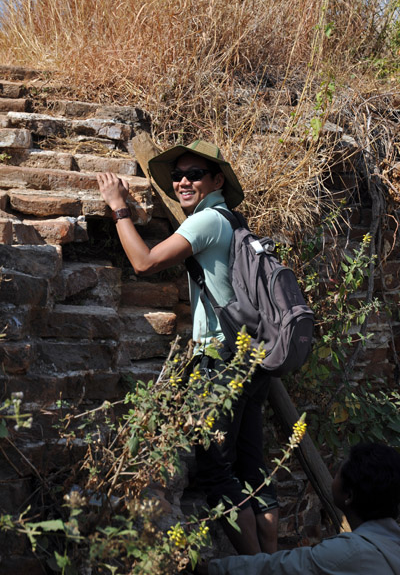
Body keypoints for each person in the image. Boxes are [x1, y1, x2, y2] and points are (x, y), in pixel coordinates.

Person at [97, 140, 279, 555]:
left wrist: (118, 208)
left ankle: (255, 567)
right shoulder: (232, 220)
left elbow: (145, 262)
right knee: (252, 469)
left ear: (217, 180)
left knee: (218, 470)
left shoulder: (205, 222)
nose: (183, 181)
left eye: (195, 173)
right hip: (251, 357)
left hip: (220, 358)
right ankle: (276, 560)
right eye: (178, 174)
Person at [208, 441, 400, 574]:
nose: (333, 477)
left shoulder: (348, 553)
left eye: (337, 473)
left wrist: (207, 568)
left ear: (348, 496)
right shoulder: (391, 544)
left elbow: (274, 568)